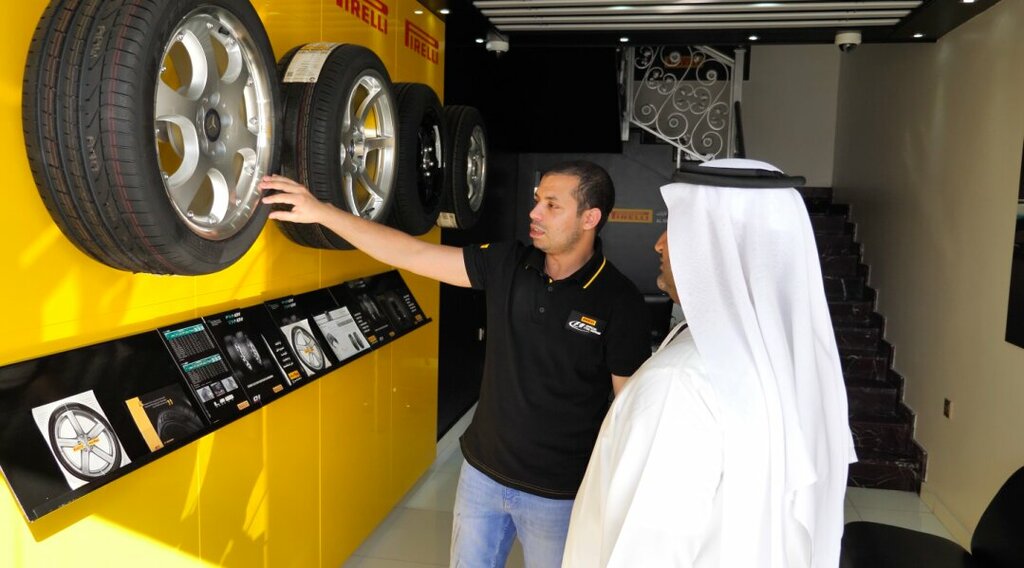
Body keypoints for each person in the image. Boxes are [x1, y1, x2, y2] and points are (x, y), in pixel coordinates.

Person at [259, 160, 651, 567]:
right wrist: (322, 212)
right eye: (537, 200)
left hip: (561, 495)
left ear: (590, 218)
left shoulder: (619, 301)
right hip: (482, 477)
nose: (534, 212)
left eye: (552, 205)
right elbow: (411, 252)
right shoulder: (507, 263)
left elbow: (631, 414)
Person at [562, 158, 857, 568]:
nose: (659, 244)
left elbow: (647, 552)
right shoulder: (781, 359)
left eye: (677, 227)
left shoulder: (680, 383)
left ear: (718, 245)